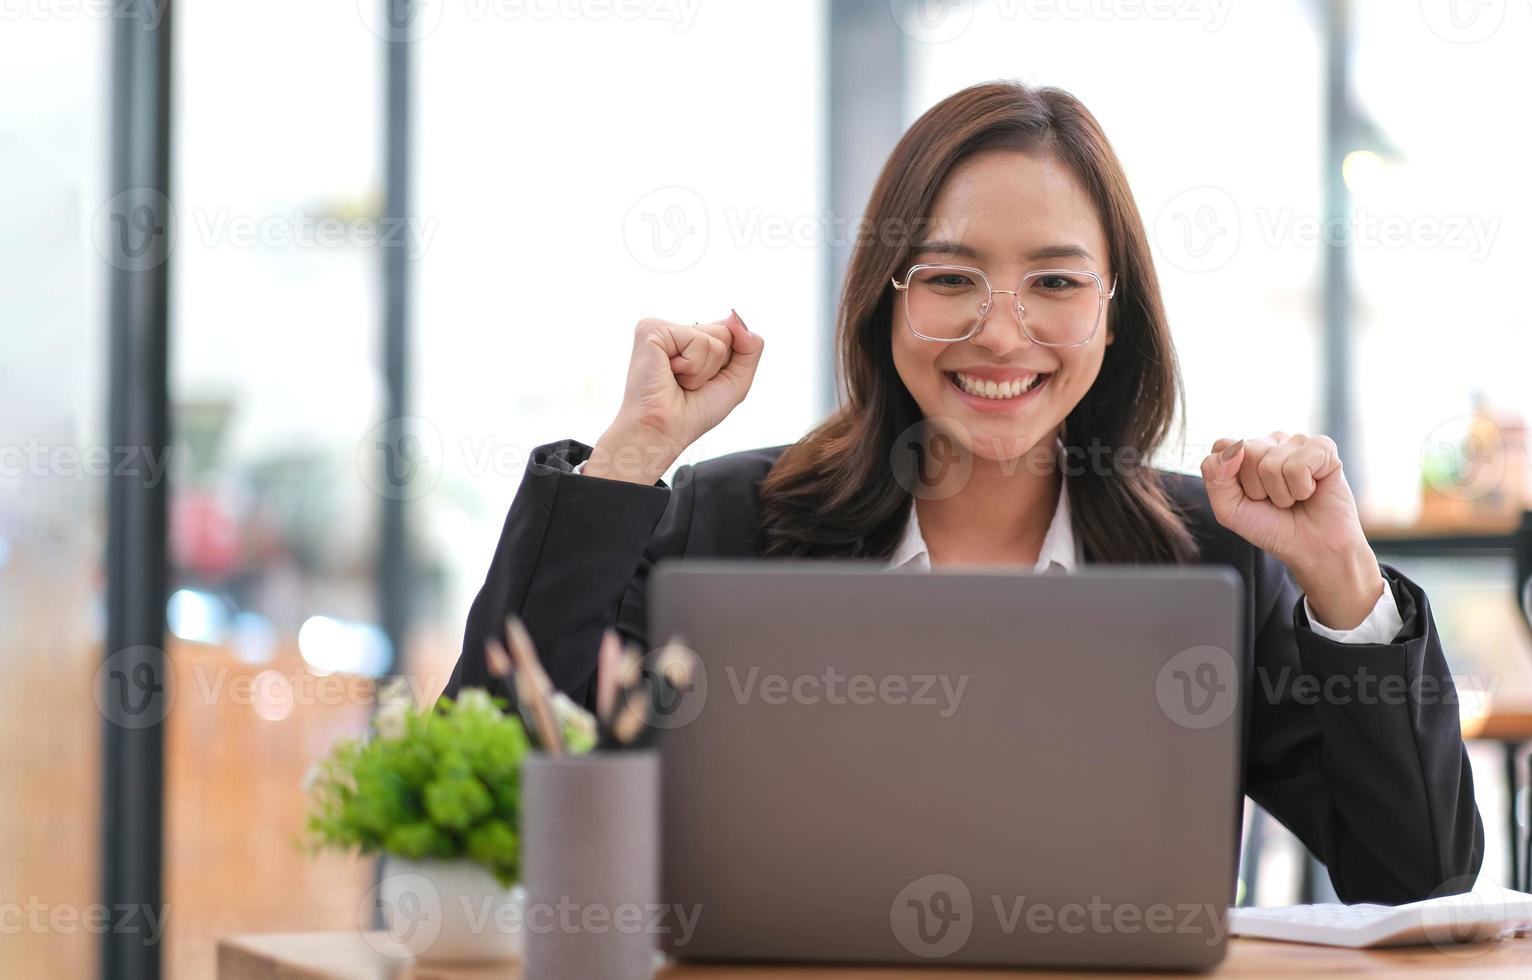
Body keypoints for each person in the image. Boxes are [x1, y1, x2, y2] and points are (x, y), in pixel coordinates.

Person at [446, 80, 1483, 905]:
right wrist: (629, 458)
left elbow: (1417, 875)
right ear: (884, 301)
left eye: (1054, 281)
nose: (999, 330)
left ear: (1113, 315)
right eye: (948, 278)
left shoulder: (1207, 552)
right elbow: (486, 782)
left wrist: (1341, 579)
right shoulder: (730, 521)